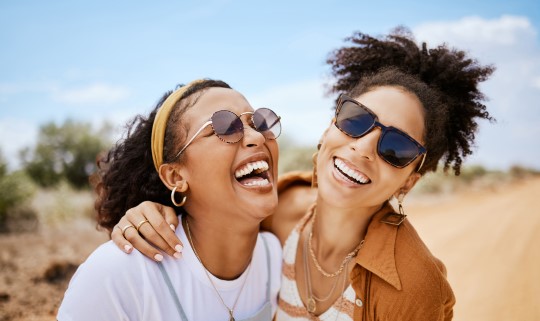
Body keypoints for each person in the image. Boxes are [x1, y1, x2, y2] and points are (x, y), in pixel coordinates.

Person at [111, 28, 494, 320]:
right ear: (329, 129)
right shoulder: (276, 212)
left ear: (410, 179)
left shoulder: (412, 286)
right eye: (355, 120)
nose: (363, 147)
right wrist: (153, 210)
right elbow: (209, 206)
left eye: (397, 147)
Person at [57, 79, 284, 321]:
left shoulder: (276, 255)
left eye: (259, 123)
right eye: (225, 127)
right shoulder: (117, 275)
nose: (256, 137)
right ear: (175, 176)